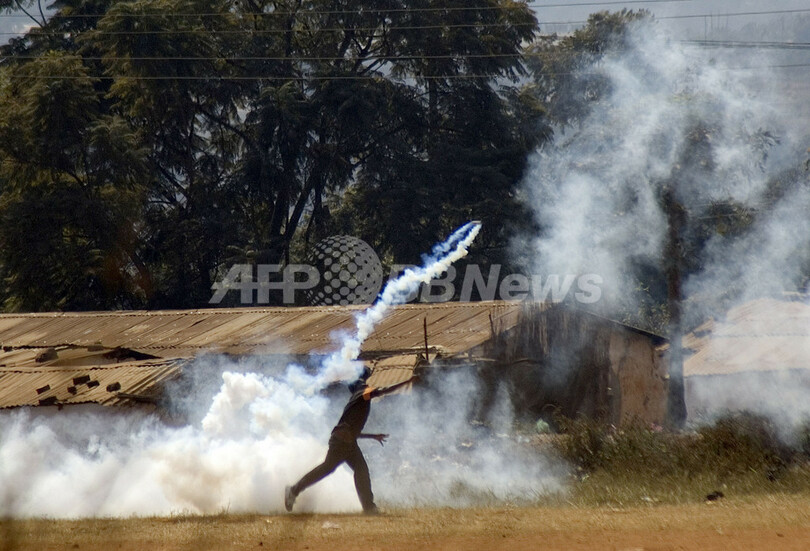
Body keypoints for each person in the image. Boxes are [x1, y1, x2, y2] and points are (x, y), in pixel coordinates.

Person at [284, 367, 418, 514]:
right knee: (330, 468)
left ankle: (369, 508)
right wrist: (407, 381)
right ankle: (294, 490)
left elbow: (352, 431)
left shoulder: (356, 397)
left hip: (347, 442)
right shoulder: (362, 392)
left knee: (359, 470)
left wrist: (373, 436)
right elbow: (382, 391)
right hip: (342, 441)